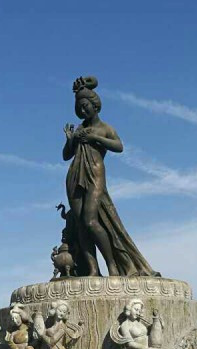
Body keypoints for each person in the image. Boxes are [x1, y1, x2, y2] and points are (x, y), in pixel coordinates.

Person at [63, 76, 160, 278]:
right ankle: (93, 270)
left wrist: (95, 138)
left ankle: (113, 266)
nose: (83, 110)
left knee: (90, 221)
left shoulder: (104, 128)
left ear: (95, 106)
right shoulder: (79, 129)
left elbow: (119, 146)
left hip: (95, 174)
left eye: (85, 106)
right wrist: (70, 139)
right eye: (79, 108)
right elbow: (66, 155)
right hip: (75, 176)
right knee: (81, 225)